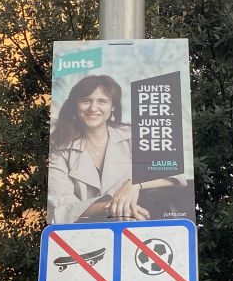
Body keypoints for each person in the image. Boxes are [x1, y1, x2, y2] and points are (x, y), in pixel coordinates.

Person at [48, 75, 185, 224]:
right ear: (76, 105)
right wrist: (112, 207)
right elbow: (62, 206)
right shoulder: (59, 149)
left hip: (140, 225)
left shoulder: (135, 135)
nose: (93, 108)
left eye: (103, 101)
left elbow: (173, 171)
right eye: (86, 101)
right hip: (86, 233)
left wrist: (134, 185)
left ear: (112, 106)